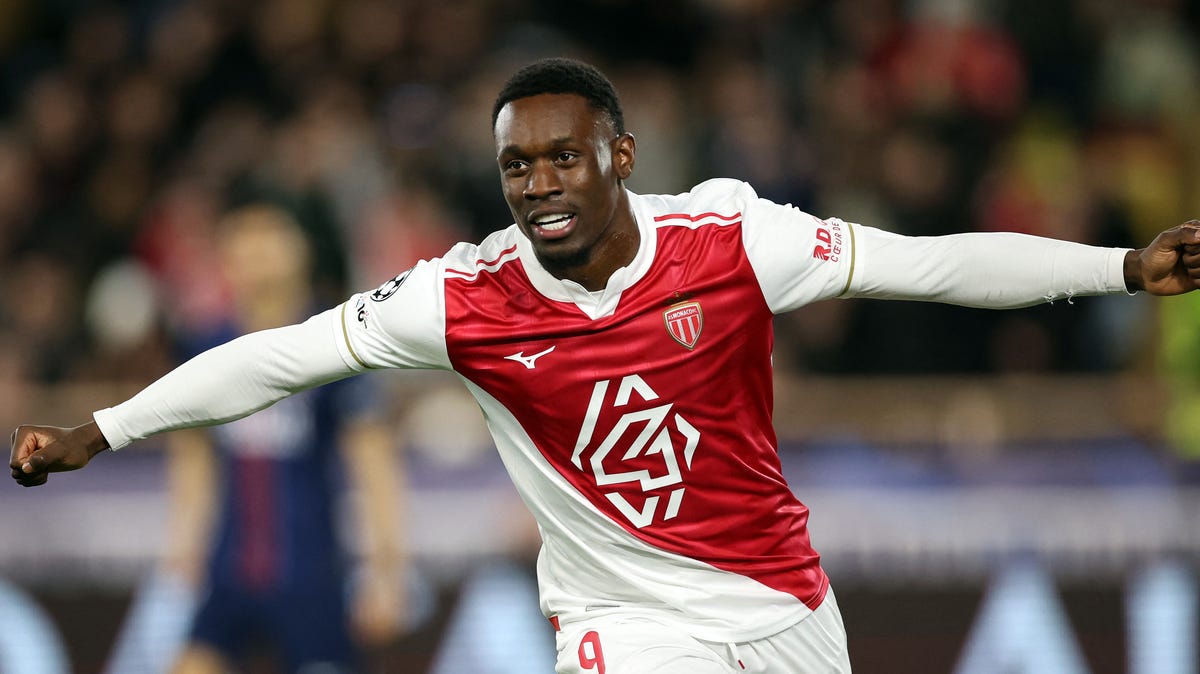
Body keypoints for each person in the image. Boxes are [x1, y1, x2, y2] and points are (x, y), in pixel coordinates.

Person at [10, 58, 1200, 674]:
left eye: (561, 160)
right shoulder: (467, 298)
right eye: (516, 170)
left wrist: (1120, 267)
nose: (537, 187)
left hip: (783, 599)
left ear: (620, 155)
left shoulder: (732, 239)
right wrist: (106, 426)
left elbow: (928, 265)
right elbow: (281, 355)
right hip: (623, 618)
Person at [128, 204, 408, 674]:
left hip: (312, 573)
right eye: (242, 236)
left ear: (300, 248)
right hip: (228, 570)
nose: (255, 250)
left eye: (269, 234)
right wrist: (182, 547)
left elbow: (374, 462)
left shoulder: (337, 343)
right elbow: (192, 451)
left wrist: (386, 570)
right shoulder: (205, 347)